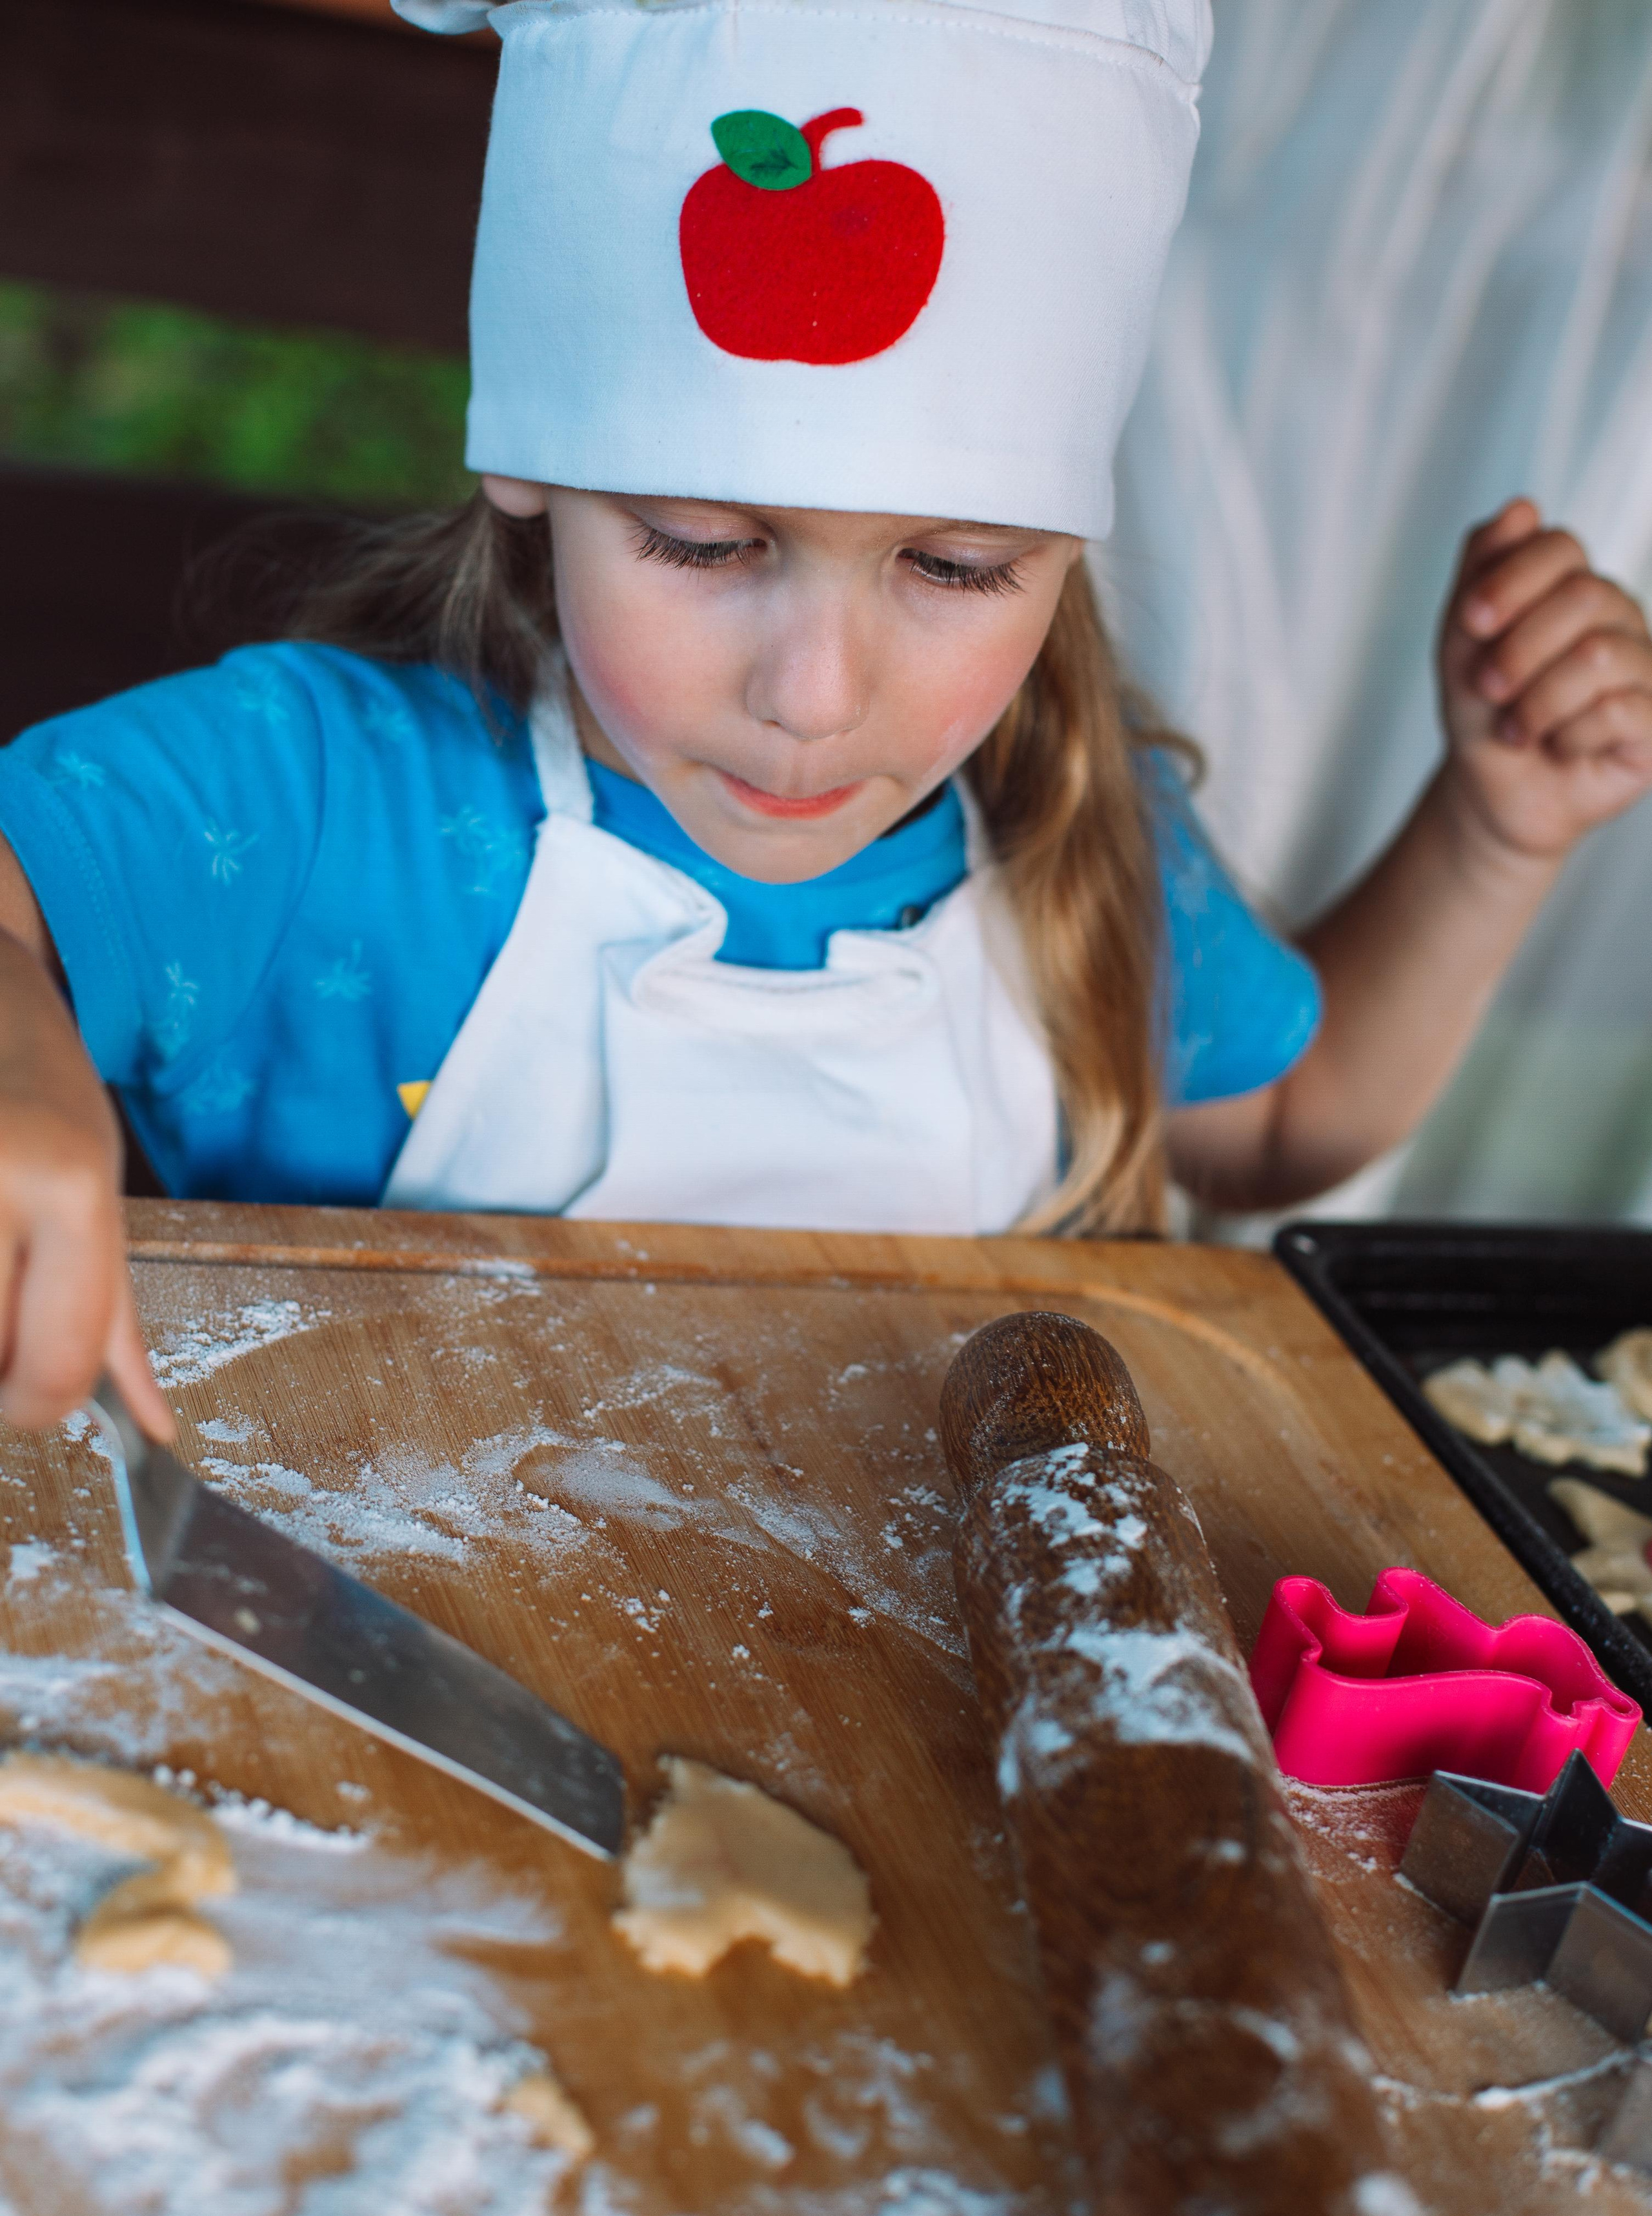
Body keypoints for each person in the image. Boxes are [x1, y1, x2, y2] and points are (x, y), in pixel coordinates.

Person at [0, 0, 1648, 1449]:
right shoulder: (314, 803)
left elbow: (1292, 1117)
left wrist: (1494, 825)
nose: (812, 695)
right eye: (704, 547)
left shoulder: (1074, 836)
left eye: (950, 567)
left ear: (1061, 556)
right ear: (530, 471)